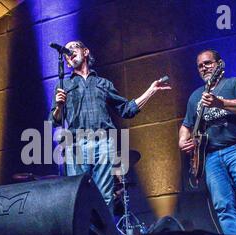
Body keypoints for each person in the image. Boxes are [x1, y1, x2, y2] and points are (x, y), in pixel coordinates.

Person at [48, 40, 171, 213]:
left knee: (104, 196)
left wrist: (151, 91)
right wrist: (60, 106)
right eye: (67, 51)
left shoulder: (104, 84)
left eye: (73, 47)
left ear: (85, 52)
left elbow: (127, 109)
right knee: (77, 196)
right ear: (66, 61)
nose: (69, 52)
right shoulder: (64, 86)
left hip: (103, 143)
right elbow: (55, 120)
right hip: (75, 144)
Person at [178, 49, 236, 235]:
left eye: (208, 63)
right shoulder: (195, 96)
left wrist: (220, 103)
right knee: (222, 205)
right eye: (200, 66)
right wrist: (182, 140)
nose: (204, 68)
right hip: (210, 156)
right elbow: (186, 125)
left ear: (219, 64)